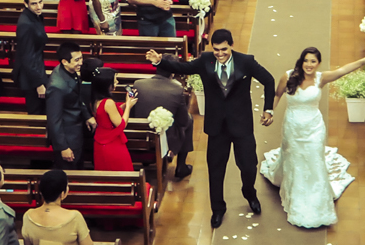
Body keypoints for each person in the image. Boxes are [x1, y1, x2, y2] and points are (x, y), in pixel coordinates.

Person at [146, 29, 276, 228]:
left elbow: (269, 80)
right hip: (217, 127)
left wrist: (268, 109)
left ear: (231, 45)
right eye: (216, 50)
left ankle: (249, 194)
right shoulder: (205, 60)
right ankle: (218, 209)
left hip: (242, 125)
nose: (220, 53)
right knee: (215, 171)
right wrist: (159, 61)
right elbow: (183, 68)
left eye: (224, 49)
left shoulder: (246, 62)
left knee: (249, 166)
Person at [261, 48, 365, 228]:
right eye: (306, 60)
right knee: (295, 161)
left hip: (314, 128)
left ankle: (317, 201)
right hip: (292, 127)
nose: (309, 65)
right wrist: (269, 112)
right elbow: (277, 94)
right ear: (301, 61)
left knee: (314, 159)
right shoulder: (288, 76)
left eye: (313, 61)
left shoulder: (321, 78)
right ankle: (296, 195)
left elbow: (343, 70)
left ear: (318, 63)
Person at [131, 63, 194, 180]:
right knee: (189, 120)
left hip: (139, 133)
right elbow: (183, 121)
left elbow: (133, 110)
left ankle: (148, 160)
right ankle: (181, 166)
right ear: (173, 73)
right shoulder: (177, 89)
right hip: (164, 135)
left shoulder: (138, 84)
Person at [45, 43, 98, 169]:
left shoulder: (70, 71)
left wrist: (87, 116)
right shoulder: (56, 87)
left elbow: (78, 97)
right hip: (67, 137)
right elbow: (54, 120)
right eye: (77, 60)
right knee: (69, 172)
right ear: (64, 61)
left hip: (76, 131)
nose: (81, 62)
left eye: (81, 58)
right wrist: (63, 147)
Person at [89, 68, 137, 172]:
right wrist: (128, 106)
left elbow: (107, 114)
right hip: (111, 143)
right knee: (121, 171)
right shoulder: (108, 102)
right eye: (114, 81)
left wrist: (126, 105)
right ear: (106, 84)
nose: (117, 82)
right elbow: (121, 125)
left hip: (100, 141)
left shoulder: (94, 100)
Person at [14, 0, 49, 114]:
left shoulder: (35, 16)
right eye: (34, 4)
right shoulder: (26, 24)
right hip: (31, 77)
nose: (39, 6)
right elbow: (27, 57)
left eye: (40, 2)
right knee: (36, 112)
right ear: (25, 3)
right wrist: (38, 84)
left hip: (37, 68)